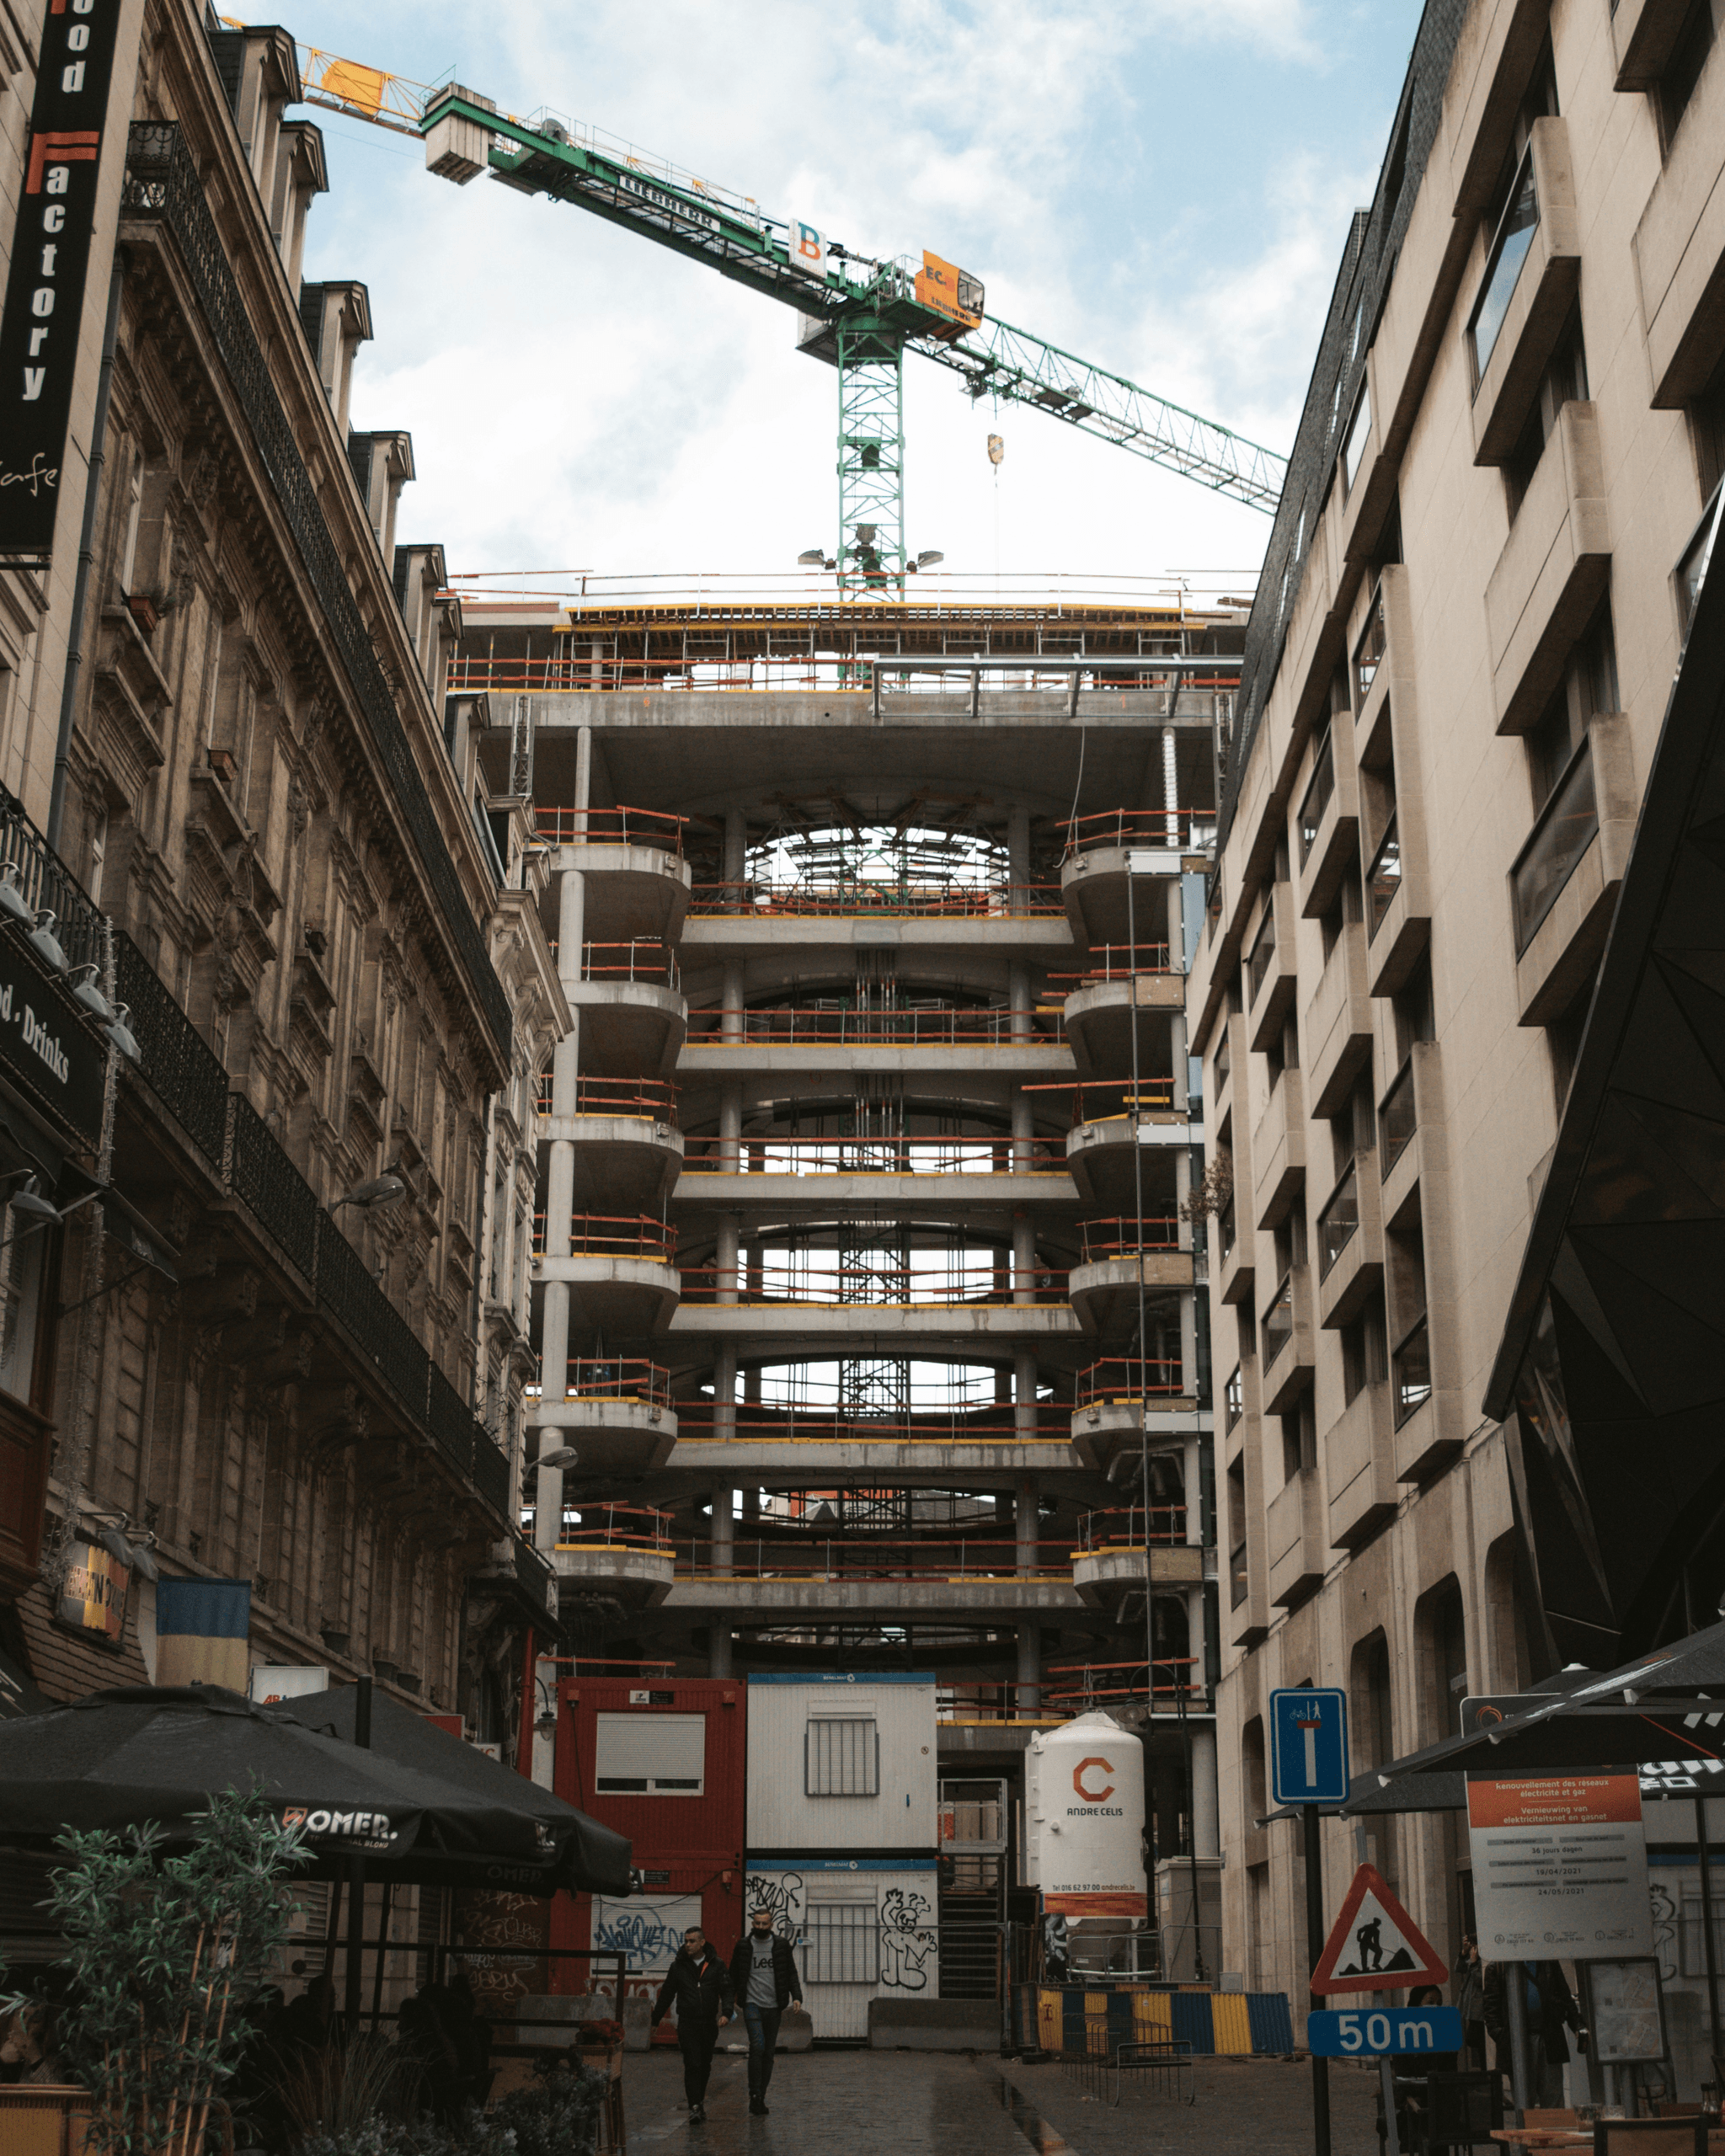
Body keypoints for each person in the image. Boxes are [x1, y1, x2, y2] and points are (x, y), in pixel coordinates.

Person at [651, 1925, 734, 2124]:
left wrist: (727, 2013)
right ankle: (695, 2106)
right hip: (687, 2022)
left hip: (708, 2023)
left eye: (692, 1941)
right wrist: (655, 2020)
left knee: (704, 2064)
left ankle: (699, 2101)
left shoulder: (717, 1964)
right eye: (686, 1941)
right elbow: (667, 1993)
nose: (687, 1945)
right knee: (692, 2063)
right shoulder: (678, 1966)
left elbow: (727, 1990)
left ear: (702, 1942)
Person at [728, 1907, 804, 2118]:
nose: (760, 1927)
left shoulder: (781, 1945)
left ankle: (760, 2097)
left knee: (768, 2053)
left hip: (774, 2006)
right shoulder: (743, 1946)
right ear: (753, 1924)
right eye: (757, 1923)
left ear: (771, 1924)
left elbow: (791, 1972)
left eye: (764, 1923)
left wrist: (797, 1996)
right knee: (758, 2045)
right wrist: (728, 2003)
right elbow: (733, 1974)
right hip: (752, 2004)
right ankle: (754, 2094)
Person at [1484, 1957, 1583, 2106]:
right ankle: (1527, 2129)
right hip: (1517, 2041)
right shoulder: (1498, 1967)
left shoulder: (1547, 1962)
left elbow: (1564, 1993)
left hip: (1548, 2036)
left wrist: (1577, 2025)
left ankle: (1554, 2129)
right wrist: (1503, 2036)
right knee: (1524, 2100)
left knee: (1553, 2097)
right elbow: (1491, 2009)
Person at [1455, 1937, 1487, 2071]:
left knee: (1477, 2040)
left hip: (1480, 2008)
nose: (1473, 1949)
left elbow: (1481, 1980)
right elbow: (1459, 1968)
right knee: (1474, 2040)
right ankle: (1483, 2069)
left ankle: (1485, 2070)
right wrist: (1463, 1953)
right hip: (1470, 2006)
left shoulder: (1484, 1961)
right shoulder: (1474, 1960)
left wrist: (1473, 1964)